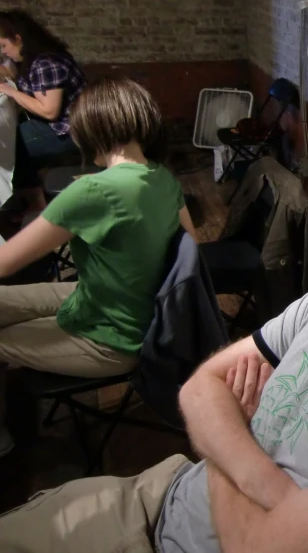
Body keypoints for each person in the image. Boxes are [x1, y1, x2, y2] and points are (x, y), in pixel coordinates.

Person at [0, 135, 308, 553]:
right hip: (157, 493)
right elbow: (199, 386)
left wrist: (225, 437)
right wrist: (257, 475)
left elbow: (259, 548)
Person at [0, 77, 196, 457]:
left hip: (113, 338)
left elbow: (5, 263)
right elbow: (191, 247)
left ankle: (4, 441)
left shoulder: (91, 192)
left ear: (89, 129)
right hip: (130, 313)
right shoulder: (163, 178)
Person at [0, 9, 86, 214]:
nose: (3, 52)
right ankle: (32, 195)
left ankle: (35, 203)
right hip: (57, 125)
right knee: (14, 134)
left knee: (12, 143)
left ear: (18, 39)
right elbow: (10, 71)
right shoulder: (30, 59)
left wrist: (9, 91)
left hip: (72, 129)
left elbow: (49, 112)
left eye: (4, 46)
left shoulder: (46, 62)